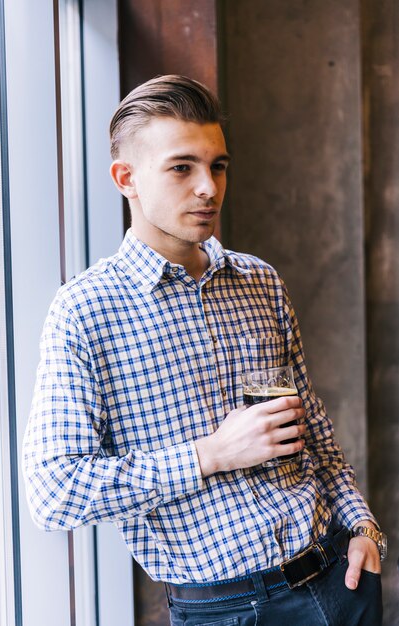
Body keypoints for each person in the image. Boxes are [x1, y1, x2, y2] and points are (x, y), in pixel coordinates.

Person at [22, 75, 385, 625]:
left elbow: (315, 431)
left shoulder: (260, 281)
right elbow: (54, 491)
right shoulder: (84, 310)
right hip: (222, 611)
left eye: (217, 166)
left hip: (339, 582)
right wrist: (209, 455)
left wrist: (362, 527)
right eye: (181, 167)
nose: (208, 188)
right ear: (127, 178)